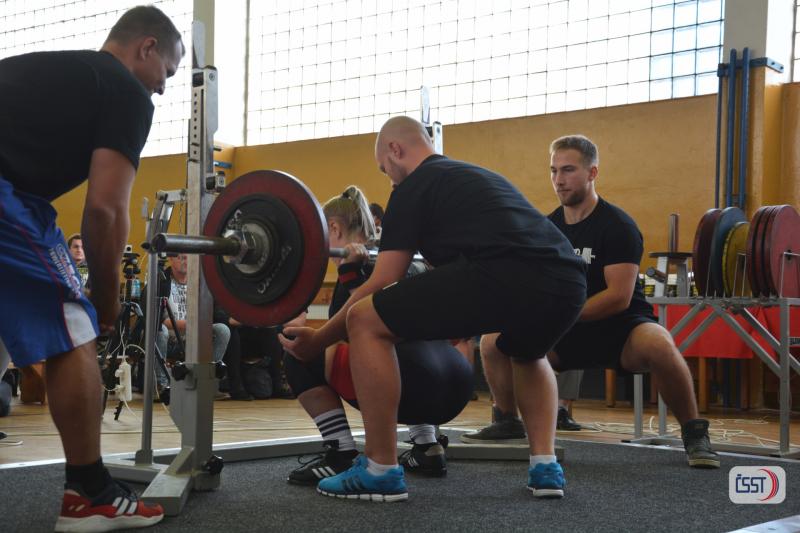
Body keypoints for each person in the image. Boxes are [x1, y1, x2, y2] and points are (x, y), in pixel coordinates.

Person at [281, 116, 587, 502]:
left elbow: (382, 280)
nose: (389, 178)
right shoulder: (477, 176)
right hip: (567, 282)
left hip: (502, 272)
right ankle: (545, 468)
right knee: (528, 353)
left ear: (395, 150)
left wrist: (319, 339)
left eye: (384, 168)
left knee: (364, 318)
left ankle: (380, 469)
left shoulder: (415, 185)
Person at [0, 5, 184, 530]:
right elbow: (105, 209)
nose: (163, 87)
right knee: (73, 326)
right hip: (8, 197)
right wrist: (105, 298)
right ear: (146, 47)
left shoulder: (54, 70)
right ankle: (89, 492)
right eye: (167, 71)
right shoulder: (125, 90)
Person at [470, 134, 719, 469]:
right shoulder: (546, 228)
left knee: (660, 344)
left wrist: (557, 316)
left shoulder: (617, 226)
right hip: (565, 332)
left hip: (621, 329)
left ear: (592, 173)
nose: (559, 179)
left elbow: (618, 297)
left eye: (568, 170)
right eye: (554, 170)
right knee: (493, 340)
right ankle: (507, 421)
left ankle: (694, 432)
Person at [283, 185, 474, 485]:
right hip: (456, 386)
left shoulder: (355, 271)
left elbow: (367, 318)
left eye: (320, 233)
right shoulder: (403, 260)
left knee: (298, 354)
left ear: (333, 228)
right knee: (404, 347)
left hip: (413, 385)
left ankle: (339, 453)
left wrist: (349, 277)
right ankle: (427, 447)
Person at [155, 254, 230, 398]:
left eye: (188, 258)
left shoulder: (200, 282)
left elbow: (211, 313)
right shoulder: (161, 282)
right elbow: (158, 319)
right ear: (170, 259)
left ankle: (205, 383)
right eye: (180, 258)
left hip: (192, 338)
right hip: (169, 339)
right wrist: (187, 324)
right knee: (160, 330)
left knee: (222, 330)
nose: (185, 261)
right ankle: (162, 385)